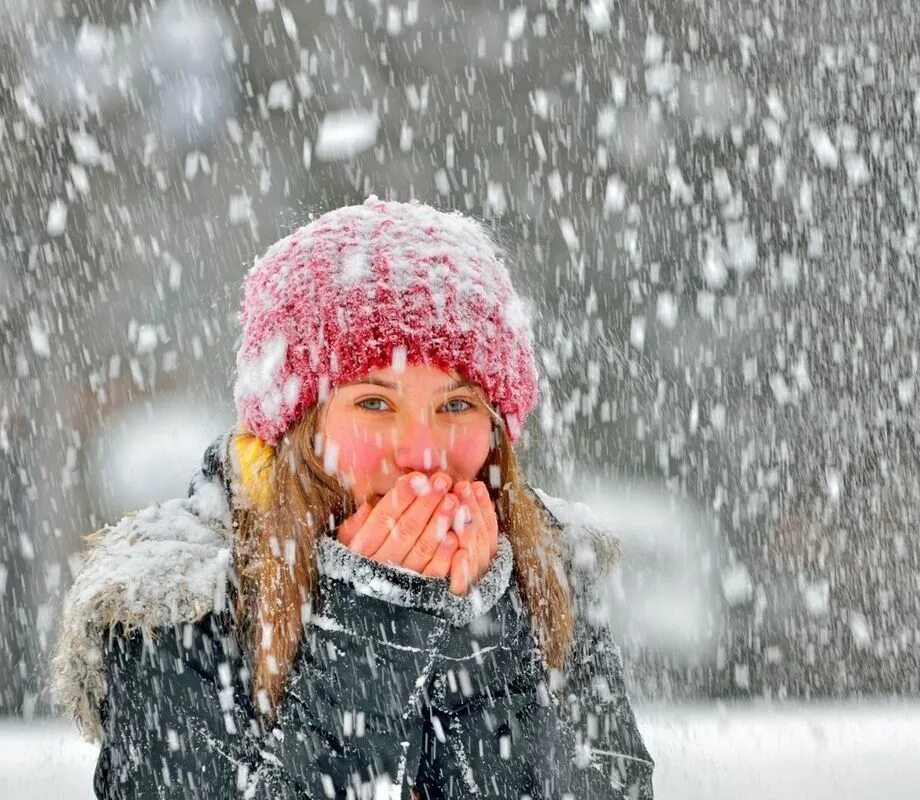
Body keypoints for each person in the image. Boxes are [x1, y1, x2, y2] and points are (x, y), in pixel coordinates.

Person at [51, 197, 655, 799]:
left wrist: (479, 633)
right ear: (297, 429)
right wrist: (372, 631)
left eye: (456, 405)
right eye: (374, 403)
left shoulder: (543, 568)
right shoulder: (180, 604)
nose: (422, 452)